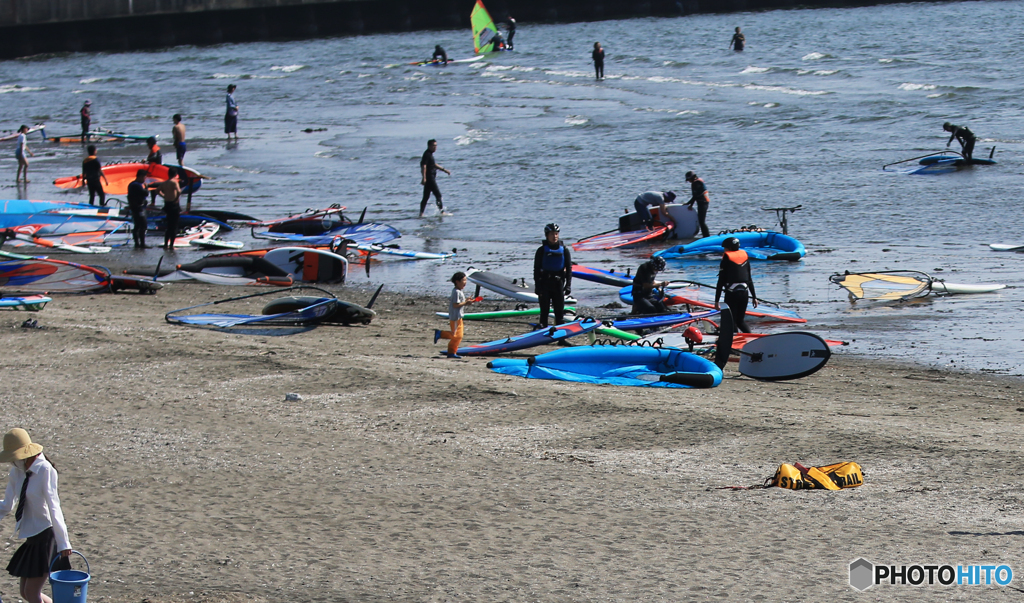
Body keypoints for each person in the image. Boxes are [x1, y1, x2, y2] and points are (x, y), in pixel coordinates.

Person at [0, 428, 73, 603]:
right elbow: (7, 505)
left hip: (47, 536)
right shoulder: (17, 471)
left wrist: (64, 542)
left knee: (32, 593)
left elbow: (54, 507)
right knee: (26, 593)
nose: (12, 461)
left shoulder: (45, 470)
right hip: (31, 536)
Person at [715, 237, 758, 333]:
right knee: (740, 321)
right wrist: (754, 297)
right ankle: (750, 339)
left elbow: (720, 281)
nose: (724, 250)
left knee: (731, 321)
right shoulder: (745, 257)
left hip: (732, 294)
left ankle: (734, 343)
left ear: (729, 248)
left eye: (725, 248)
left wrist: (717, 300)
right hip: (744, 293)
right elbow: (749, 278)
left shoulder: (726, 259)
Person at [533, 223, 572, 329]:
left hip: (558, 284)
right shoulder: (541, 251)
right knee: (544, 311)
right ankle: (542, 335)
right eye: (551, 234)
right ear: (546, 235)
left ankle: (561, 338)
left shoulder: (564, 250)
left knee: (559, 313)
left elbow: (569, 269)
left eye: (556, 234)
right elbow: (536, 270)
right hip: (544, 283)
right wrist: (537, 286)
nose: (554, 236)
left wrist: (568, 285)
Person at [434, 271, 479, 359]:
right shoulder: (456, 292)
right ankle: (440, 334)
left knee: (459, 336)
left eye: (466, 280)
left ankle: (452, 352)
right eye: (463, 280)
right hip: (455, 317)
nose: (465, 282)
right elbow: (455, 305)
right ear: (457, 282)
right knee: (455, 335)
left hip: (459, 317)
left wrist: (467, 300)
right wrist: (466, 303)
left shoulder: (459, 291)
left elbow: (460, 302)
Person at [419, 139, 451, 217]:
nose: (435, 147)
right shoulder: (427, 154)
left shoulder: (429, 154)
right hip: (430, 178)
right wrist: (424, 178)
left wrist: (444, 170)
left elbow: (434, 165)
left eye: (436, 145)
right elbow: (424, 166)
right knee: (438, 195)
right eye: (433, 145)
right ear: (429, 146)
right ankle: (442, 212)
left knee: (426, 197)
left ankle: (421, 214)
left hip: (430, 178)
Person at [157, 167, 182, 250]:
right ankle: (171, 245)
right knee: (174, 225)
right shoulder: (174, 182)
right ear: (175, 175)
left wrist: (164, 196)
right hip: (174, 205)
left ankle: (165, 244)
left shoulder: (165, 183)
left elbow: (157, 190)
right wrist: (176, 199)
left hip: (167, 204)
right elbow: (179, 191)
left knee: (169, 225)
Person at [127, 169, 150, 249]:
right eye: (144, 177)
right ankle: (141, 244)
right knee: (143, 225)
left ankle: (137, 243)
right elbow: (145, 193)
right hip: (138, 208)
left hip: (135, 207)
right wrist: (147, 188)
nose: (145, 179)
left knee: (137, 225)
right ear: (140, 176)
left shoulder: (132, 184)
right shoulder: (136, 185)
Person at [684, 171, 710, 238]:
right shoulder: (699, 181)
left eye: (688, 180)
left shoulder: (695, 183)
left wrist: (690, 204)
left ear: (691, 178)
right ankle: (706, 236)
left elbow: (695, 196)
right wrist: (689, 203)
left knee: (701, 221)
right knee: (701, 221)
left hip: (702, 203)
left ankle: (706, 236)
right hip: (705, 202)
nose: (689, 181)